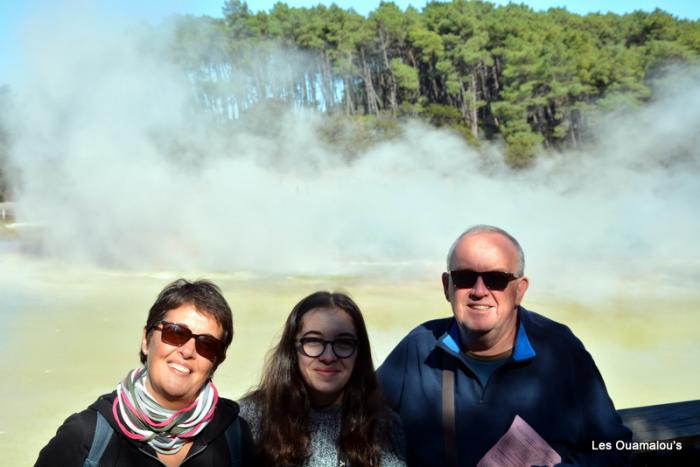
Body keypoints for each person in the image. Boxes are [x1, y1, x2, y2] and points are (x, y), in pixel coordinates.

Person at [377, 225, 632, 466]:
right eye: (465, 277)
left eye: (496, 279)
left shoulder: (561, 350)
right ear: (447, 287)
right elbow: (356, 424)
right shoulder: (418, 347)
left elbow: (616, 448)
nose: (479, 291)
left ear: (520, 290)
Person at [36, 279, 256, 466]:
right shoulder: (85, 435)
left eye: (207, 344)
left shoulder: (234, 435)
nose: (187, 351)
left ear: (217, 360)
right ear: (146, 340)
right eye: (176, 333)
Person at [239, 291, 406, 467]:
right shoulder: (248, 420)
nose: (328, 357)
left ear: (359, 354)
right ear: (291, 350)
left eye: (343, 343)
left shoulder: (384, 427)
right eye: (314, 341)